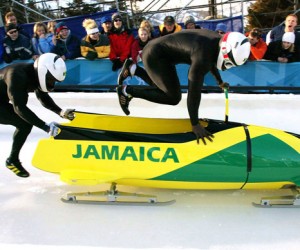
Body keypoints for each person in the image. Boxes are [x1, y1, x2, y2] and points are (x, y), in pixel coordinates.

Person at [117, 30, 250, 144]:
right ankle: (127, 91)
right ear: (226, 51)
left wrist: (219, 81)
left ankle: (133, 68)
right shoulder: (202, 56)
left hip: (157, 50)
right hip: (154, 55)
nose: (228, 67)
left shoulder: (216, 40)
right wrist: (195, 124)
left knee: (160, 86)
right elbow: (194, 91)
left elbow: (212, 60)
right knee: (172, 97)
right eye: (229, 63)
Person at [0, 53, 75, 178]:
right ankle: (12, 160)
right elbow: (19, 108)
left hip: (2, 101)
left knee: (25, 124)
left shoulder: (36, 73)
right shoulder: (17, 76)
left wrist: (60, 112)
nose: (52, 83)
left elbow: (43, 98)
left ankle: (12, 160)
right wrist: (45, 127)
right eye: (51, 79)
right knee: (24, 123)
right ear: (43, 72)